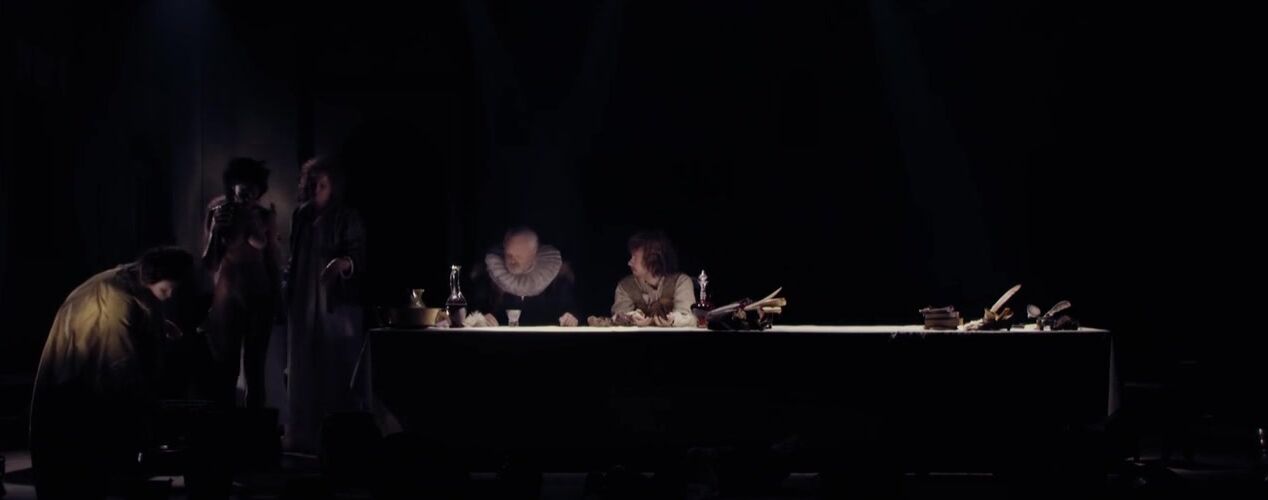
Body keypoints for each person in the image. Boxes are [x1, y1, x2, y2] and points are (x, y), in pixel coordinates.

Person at [29, 246, 195, 499]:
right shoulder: (114, 300)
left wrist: (159, 326)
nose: (169, 295)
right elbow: (119, 360)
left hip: (91, 370)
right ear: (153, 276)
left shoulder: (135, 282)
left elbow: (140, 309)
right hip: (78, 379)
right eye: (165, 289)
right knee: (84, 455)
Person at [283, 156, 368, 452]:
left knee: (336, 364)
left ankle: (339, 438)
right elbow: (294, 256)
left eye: (322, 185)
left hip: (334, 300)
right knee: (303, 365)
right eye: (311, 184)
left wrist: (342, 264)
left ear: (333, 187)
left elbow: (357, 256)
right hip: (304, 296)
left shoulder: (347, 217)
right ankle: (304, 434)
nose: (315, 190)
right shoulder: (301, 215)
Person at [201, 157, 282, 409]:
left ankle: (255, 429)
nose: (248, 195)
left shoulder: (264, 216)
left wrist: (279, 298)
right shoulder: (219, 212)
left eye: (253, 189)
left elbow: (273, 260)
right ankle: (227, 428)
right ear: (232, 186)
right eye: (243, 188)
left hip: (260, 298)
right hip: (228, 297)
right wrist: (216, 230)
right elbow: (209, 263)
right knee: (227, 369)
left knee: (255, 371)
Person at [468, 226, 579, 327]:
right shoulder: (489, 277)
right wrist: (480, 319)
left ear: (533, 255)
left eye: (519, 256)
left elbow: (571, 311)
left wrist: (570, 318)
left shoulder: (557, 280)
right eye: (509, 255)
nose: (512, 261)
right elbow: (473, 311)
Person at [610, 231, 695, 327]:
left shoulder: (680, 282)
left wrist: (673, 320)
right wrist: (630, 318)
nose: (629, 262)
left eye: (634, 257)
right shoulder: (625, 286)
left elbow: (689, 317)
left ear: (652, 259)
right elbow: (618, 316)